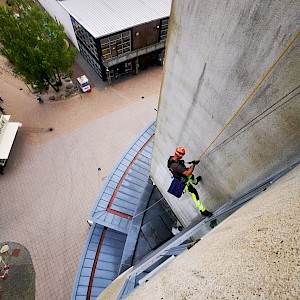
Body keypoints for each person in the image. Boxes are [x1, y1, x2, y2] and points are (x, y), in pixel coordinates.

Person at [168, 147, 213, 217]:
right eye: (181, 155)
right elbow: (187, 173)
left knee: (191, 176)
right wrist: (194, 165)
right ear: (178, 154)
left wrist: (191, 162)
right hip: (183, 182)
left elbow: (183, 166)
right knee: (194, 193)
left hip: (181, 176)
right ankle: (203, 210)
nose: (182, 156)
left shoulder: (171, 159)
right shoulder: (176, 166)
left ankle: (195, 181)